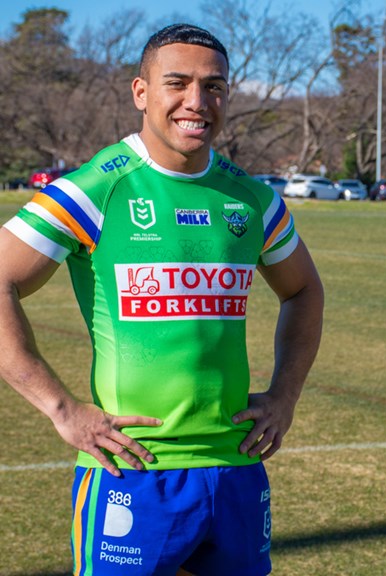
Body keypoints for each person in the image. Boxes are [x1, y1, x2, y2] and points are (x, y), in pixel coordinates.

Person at [0, 23, 323, 576]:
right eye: (178, 83)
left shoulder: (251, 199)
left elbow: (303, 290)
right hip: (134, 471)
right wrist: (62, 409)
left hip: (235, 468)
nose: (197, 102)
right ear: (141, 92)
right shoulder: (97, 189)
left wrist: (284, 396)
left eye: (214, 86)